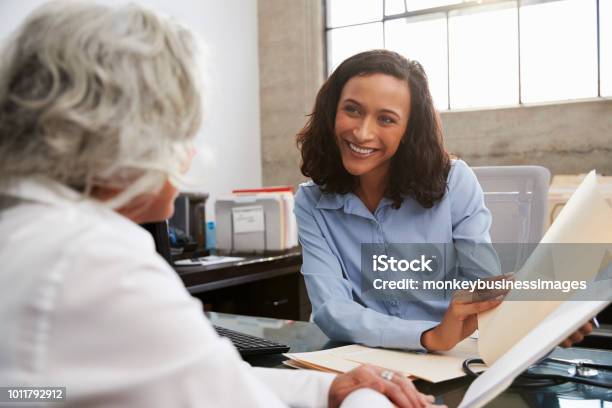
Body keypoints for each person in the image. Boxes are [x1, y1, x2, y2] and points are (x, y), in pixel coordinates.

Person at [0, 3, 440, 408]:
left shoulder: (33, 229)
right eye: (187, 127)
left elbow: (209, 378)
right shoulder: (99, 262)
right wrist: (367, 400)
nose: (190, 154)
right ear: (130, 134)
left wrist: (329, 387)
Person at [295, 50, 593, 352]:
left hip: (452, 356)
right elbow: (331, 310)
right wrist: (429, 335)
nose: (362, 132)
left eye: (386, 119)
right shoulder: (311, 202)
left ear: (408, 131)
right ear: (333, 110)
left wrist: (541, 310)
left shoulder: (454, 182)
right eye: (353, 110)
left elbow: (484, 286)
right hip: (360, 358)